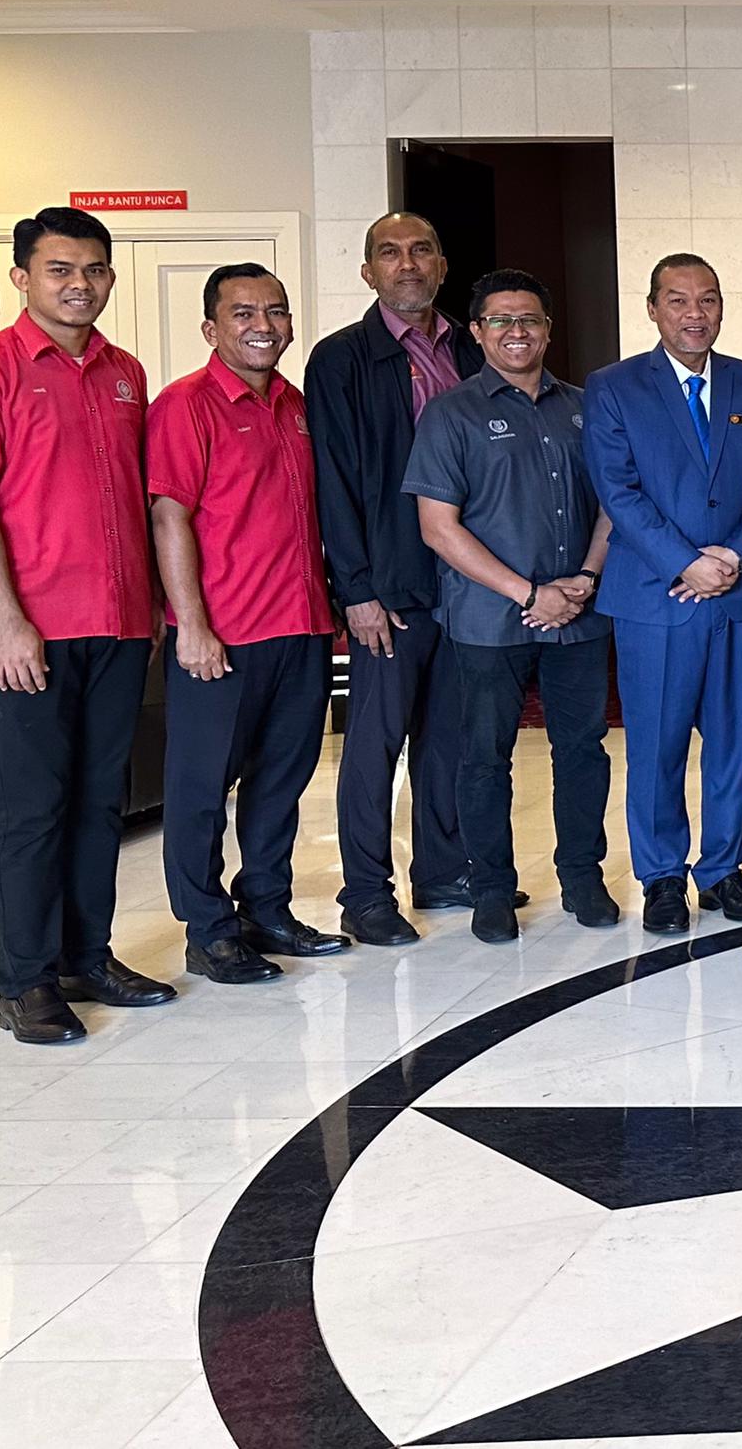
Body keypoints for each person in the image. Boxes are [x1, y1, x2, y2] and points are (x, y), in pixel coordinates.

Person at [0, 208, 173, 1044]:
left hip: (117, 625)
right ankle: (26, 983)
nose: (80, 284)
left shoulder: (124, 372)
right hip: (25, 628)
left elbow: (134, 500)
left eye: (94, 269)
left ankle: (86, 957)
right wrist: (5, 620)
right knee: (33, 805)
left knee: (101, 800)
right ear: (22, 277)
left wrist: (150, 605)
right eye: (60, 269)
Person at [585, 254, 742, 934]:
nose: (694, 313)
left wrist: (732, 556)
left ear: (722, 307)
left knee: (732, 743)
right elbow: (617, 490)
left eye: (707, 299)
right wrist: (685, 562)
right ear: (652, 309)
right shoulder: (614, 388)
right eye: (677, 300)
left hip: (738, 592)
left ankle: (723, 870)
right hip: (656, 599)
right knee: (657, 745)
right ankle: (662, 877)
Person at [146, 263, 342, 986]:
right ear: (211, 328)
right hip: (223, 636)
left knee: (282, 780)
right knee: (201, 790)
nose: (264, 325)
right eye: (243, 313)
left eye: (276, 311)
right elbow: (169, 518)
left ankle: (267, 908)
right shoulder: (184, 406)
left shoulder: (295, 404)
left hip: (302, 626)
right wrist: (191, 625)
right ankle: (208, 931)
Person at [408, 270, 616, 943]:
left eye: (529, 319)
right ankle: (492, 890)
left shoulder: (585, 407)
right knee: (483, 758)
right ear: (477, 331)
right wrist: (529, 593)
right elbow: (438, 528)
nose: (516, 331)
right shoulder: (450, 414)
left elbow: (614, 505)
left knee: (582, 750)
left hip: (580, 614)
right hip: (487, 621)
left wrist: (585, 578)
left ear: (548, 330)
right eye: (500, 320)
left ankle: (582, 877)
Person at [306, 212, 483, 944]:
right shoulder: (341, 359)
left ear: (442, 265)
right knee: (375, 745)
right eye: (390, 253)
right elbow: (333, 480)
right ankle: (365, 894)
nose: (407, 264)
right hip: (389, 588)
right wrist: (356, 590)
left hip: (465, 584)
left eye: (421, 251)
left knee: (449, 737)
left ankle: (442, 871)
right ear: (368, 272)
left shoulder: (471, 349)